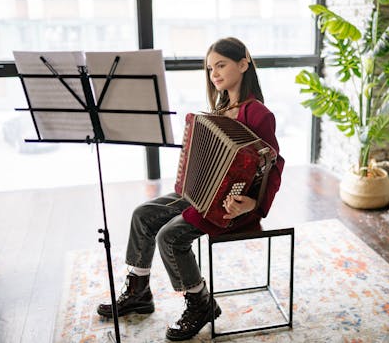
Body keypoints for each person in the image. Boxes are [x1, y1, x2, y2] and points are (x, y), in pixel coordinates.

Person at [97, 37, 284, 341]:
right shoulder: (221, 108)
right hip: (200, 195)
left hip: (232, 208)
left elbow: (273, 167)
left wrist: (252, 203)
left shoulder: (259, 114)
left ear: (243, 63)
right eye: (211, 68)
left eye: (221, 64)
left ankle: (201, 303)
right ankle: (139, 289)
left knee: (169, 236)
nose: (214, 73)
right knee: (143, 213)